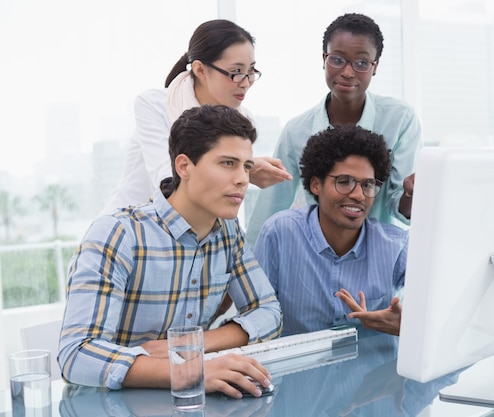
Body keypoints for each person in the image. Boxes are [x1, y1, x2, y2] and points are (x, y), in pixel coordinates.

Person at [59, 105, 282, 399]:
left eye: (247, 166)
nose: (242, 179)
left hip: (191, 402)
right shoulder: (119, 233)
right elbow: (77, 354)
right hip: (111, 405)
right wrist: (191, 372)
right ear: (184, 166)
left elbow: (269, 312)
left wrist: (191, 345)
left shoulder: (228, 233)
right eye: (228, 163)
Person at [246, 12, 420, 246]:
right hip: (315, 258)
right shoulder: (297, 131)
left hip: (378, 259)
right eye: (337, 59)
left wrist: (411, 195)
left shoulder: (400, 119)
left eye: (361, 63)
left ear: (375, 67)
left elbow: (398, 204)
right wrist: (248, 268)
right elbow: (270, 208)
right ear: (324, 58)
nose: (347, 72)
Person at [103, 19, 291, 213]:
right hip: (131, 226)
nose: (246, 82)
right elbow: (167, 182)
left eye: (250, 70)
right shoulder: (155, 105)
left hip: (194, 231)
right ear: (200, 69)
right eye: (236, 72)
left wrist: (241, 168)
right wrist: (246, 170)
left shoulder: (244, 120)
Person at [253, 125, 405, 336]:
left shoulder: (397, 246)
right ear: (316, 185)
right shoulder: (280, 233)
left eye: (368, 185)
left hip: (379, 366)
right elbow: (257, 315)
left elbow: (437, 310)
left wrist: (409, 325)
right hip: (301, 367)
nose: (359, 195)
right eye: (345, 182)